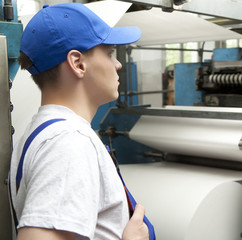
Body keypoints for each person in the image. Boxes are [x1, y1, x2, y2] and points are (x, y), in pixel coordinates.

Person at [9, 3, 153, 240]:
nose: (118, 64)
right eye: (108, 53)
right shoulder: (68, 142)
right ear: (78, 63)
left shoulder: (44, 132)